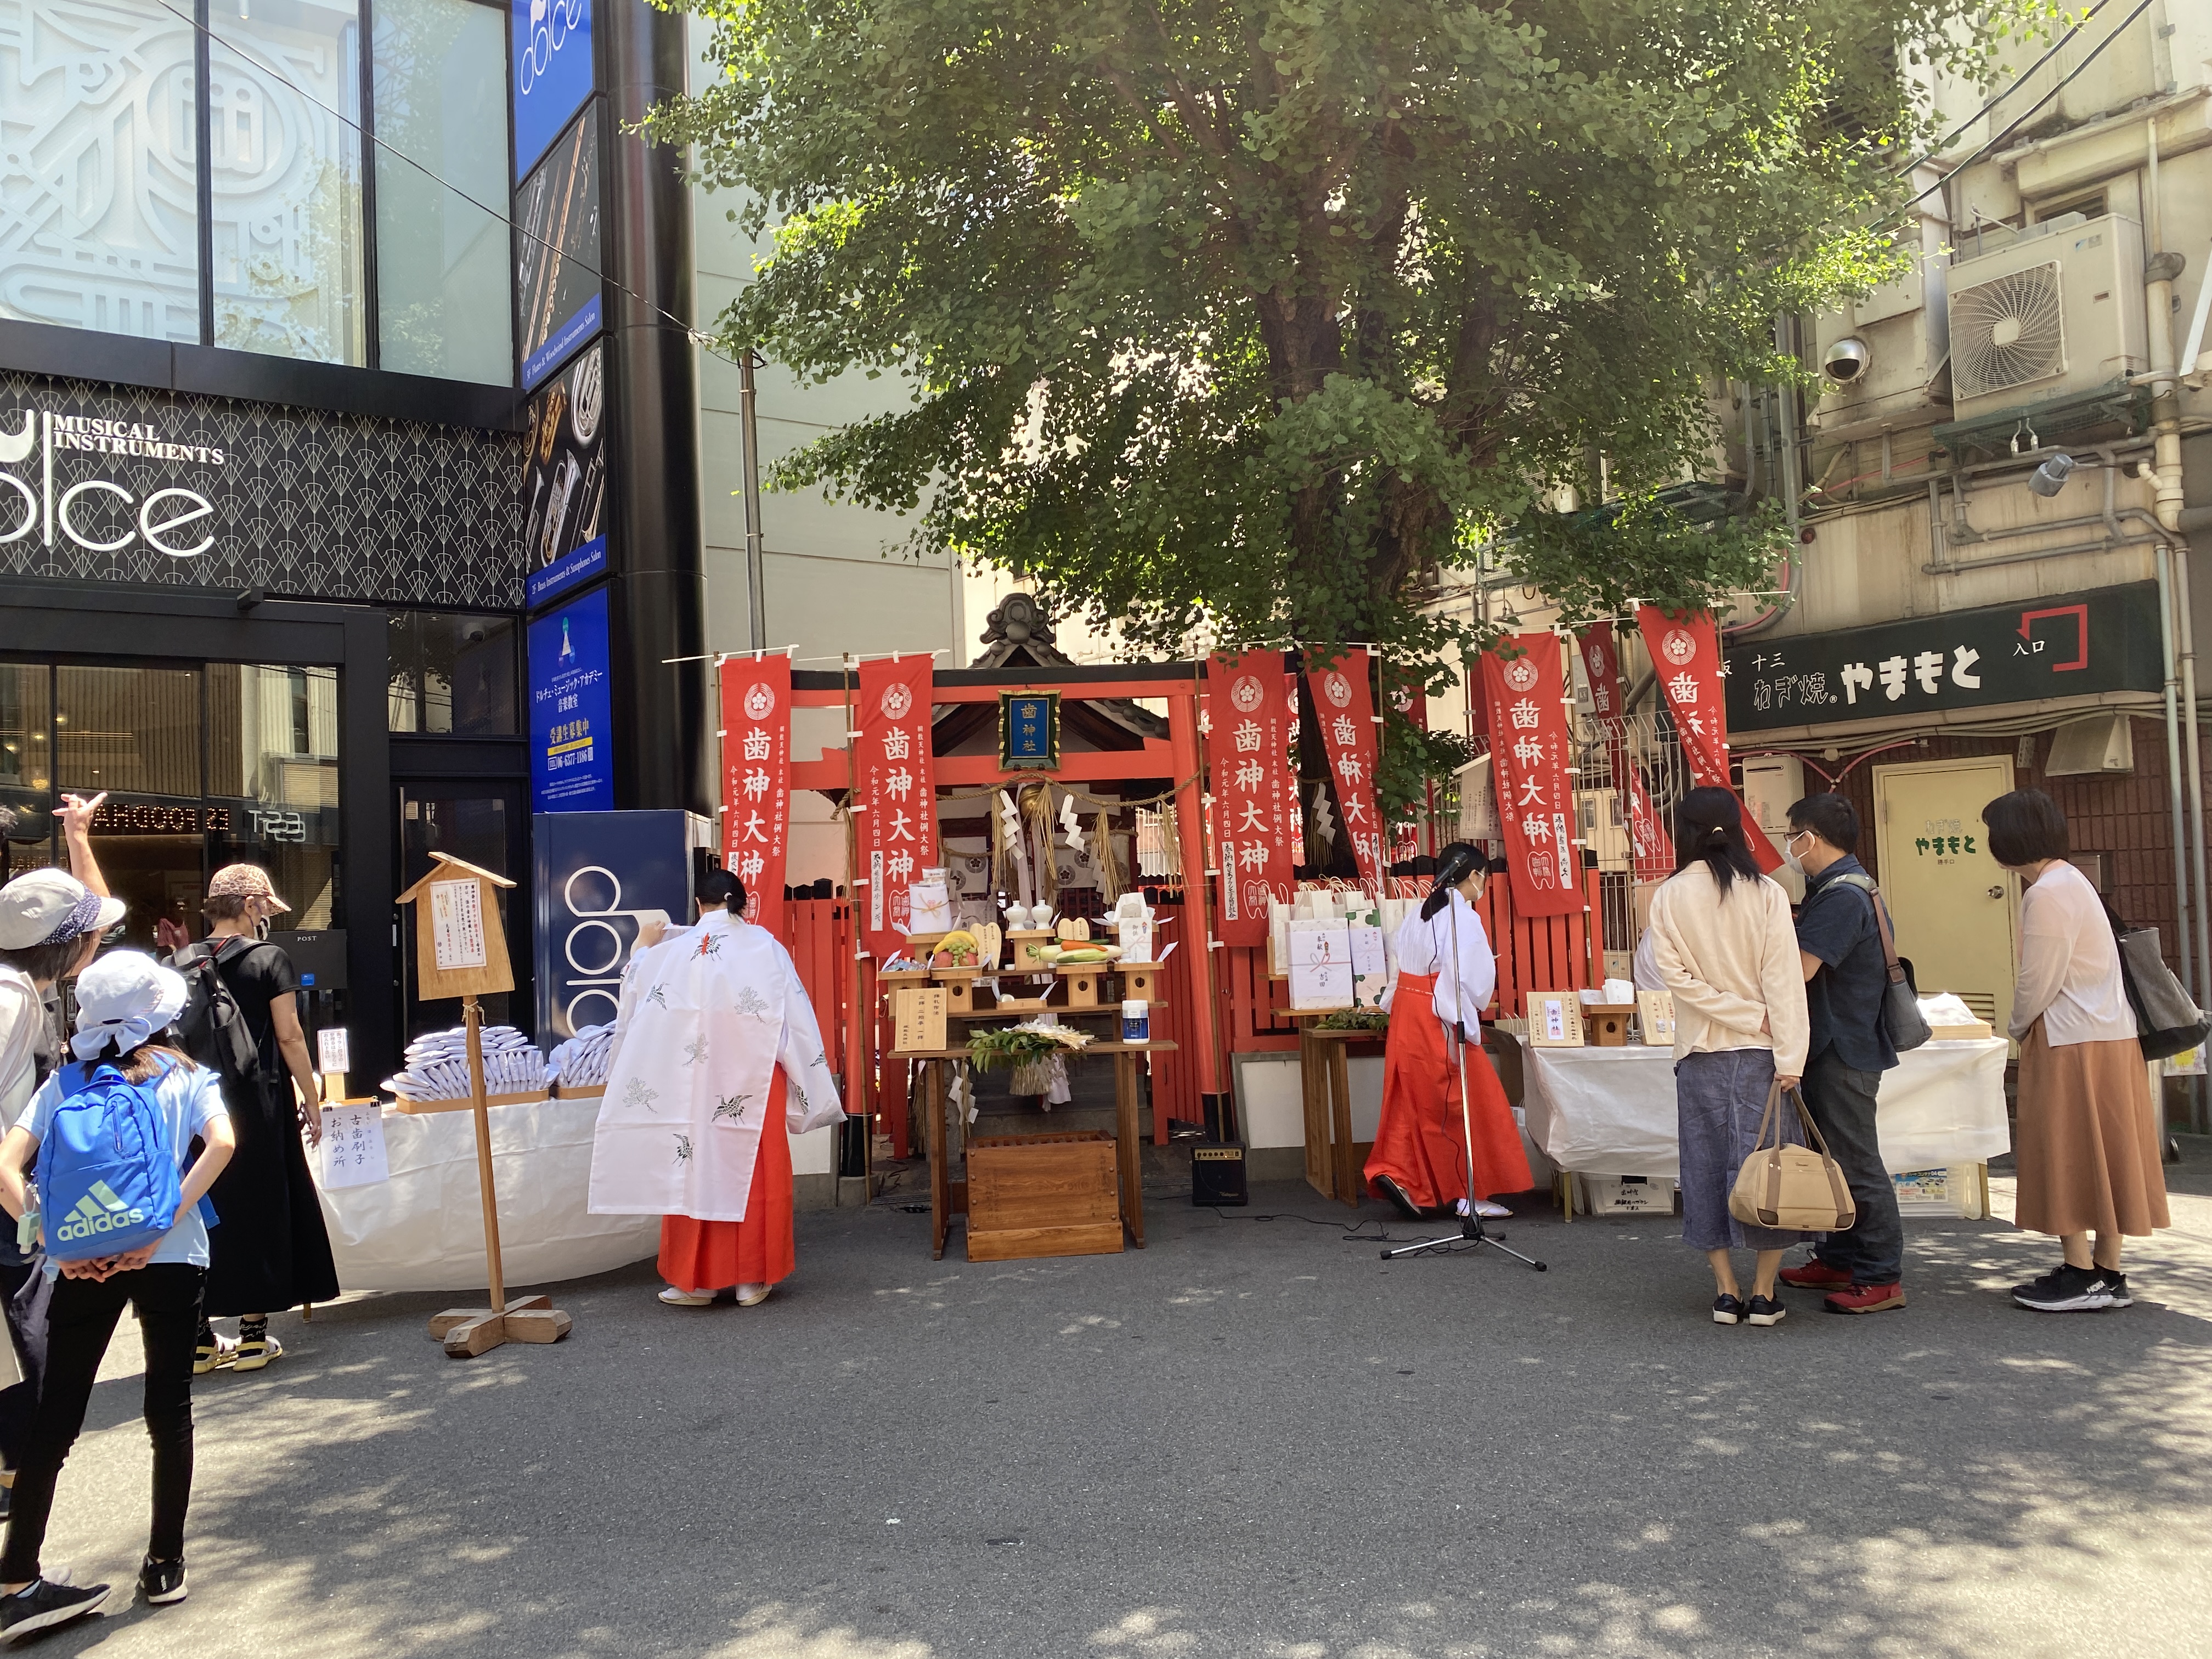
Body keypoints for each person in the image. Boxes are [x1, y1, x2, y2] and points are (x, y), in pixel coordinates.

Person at [0, 952, 236, 1637]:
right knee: (170, 1407)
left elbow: (6, 1165)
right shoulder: (186, 1074)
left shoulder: (64, 1083)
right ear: (158, 1015)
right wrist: (163, 1220)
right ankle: (165, 1564)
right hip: (172, 1255)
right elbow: (221, 1144)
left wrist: (52, 1242)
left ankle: (17, 1577)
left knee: (57, 1415)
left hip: (81, 1262)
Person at [588, 871, 848, 1308]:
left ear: (698, 903)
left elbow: (636, 996)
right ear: (744, 904)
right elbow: (796, 1022)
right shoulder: (767, 948)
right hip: (755, 1081)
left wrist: (639, 947)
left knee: (691, 1169)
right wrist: (809, 1087)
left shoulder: (670, 954)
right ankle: (751, 1281)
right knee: (754, 1175)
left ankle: (695, 1283)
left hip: (688, 1084)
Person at [1983, 789, 2169, 1312]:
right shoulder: (2073, 882)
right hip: (2110, 1036)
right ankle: (2105, 1270)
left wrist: (2015, 1028)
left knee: (2066, 1148)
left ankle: (2080, 1272)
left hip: (2070, 1039)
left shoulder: (2045, 892)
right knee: (2109, 1152)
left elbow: (2038, 981)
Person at [1647, 788, 1810, 1328]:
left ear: (1683, 831)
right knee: (1772, 1171)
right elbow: (1784, 980)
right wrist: (1789, 1051)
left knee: (1706, 1170)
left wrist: (1737, 1013)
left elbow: (1678, 982)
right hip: (1765, 1057)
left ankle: (1725, 1290)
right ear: (1736, 826)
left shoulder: (1669, 896)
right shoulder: (1765, 891)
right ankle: (1764, 1293)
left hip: (1700, 1054)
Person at [0, 793, 117, 1521]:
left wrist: (78, 840)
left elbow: (95, 917)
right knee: (39, 1369)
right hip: (14, 1210)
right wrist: (35, 1215)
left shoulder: (28, 982)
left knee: (29, 1371)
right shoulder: (12, 999)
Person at [174, 865, 337, 1372]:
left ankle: (199, 1339)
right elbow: (289, 1037)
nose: (267, 914)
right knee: (260, 1205)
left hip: (195, 1106)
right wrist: (311, 1095)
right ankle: (251, 1336)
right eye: (264, 906)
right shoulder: (269, 958)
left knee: (201, 1207)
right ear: (249, 905)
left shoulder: (177, 961)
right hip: (257, 1100)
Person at [1774, 794, 1906, 1315]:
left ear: (1812, 837)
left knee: (1854, 1161)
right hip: (1837, 1041)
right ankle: (1840, 1255)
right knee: (1831, 1160)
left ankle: (1881, 1274)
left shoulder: (1842, 897)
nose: (1790, 846)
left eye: (1793, 835)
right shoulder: (1837, 887)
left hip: (1843, 1046)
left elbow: (1801, 968)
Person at [1365, 844, 1530, 1221]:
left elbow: (1399, 965)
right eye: (1483, 877)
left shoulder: (1420, 911)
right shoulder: (1463, 916)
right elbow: (1471, 978)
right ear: (1474, 876)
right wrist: (1467, 1016)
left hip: (1409, 1008)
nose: (1483, 884)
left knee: (1414, 1098)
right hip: (1437, 1012)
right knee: (1461, 1101)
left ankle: (1405, 1175)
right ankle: (1467, 1192)